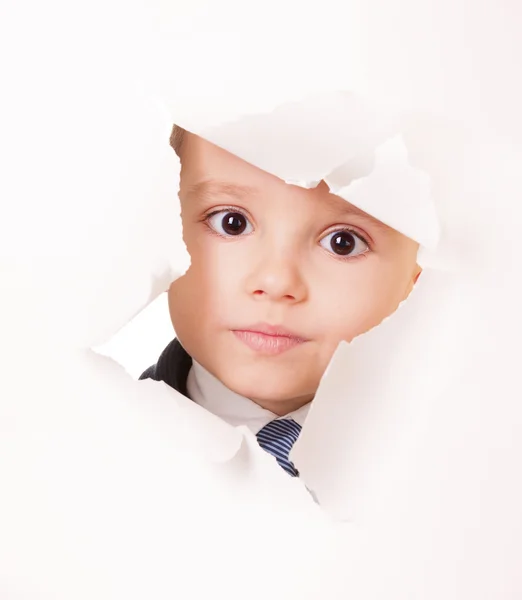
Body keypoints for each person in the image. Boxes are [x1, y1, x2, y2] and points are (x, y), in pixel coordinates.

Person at [140, 125, 421, 476]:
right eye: (232, 223)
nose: (276, 281)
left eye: (343, 242)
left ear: (419, 277)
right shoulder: (89, 450)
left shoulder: (460, 466)